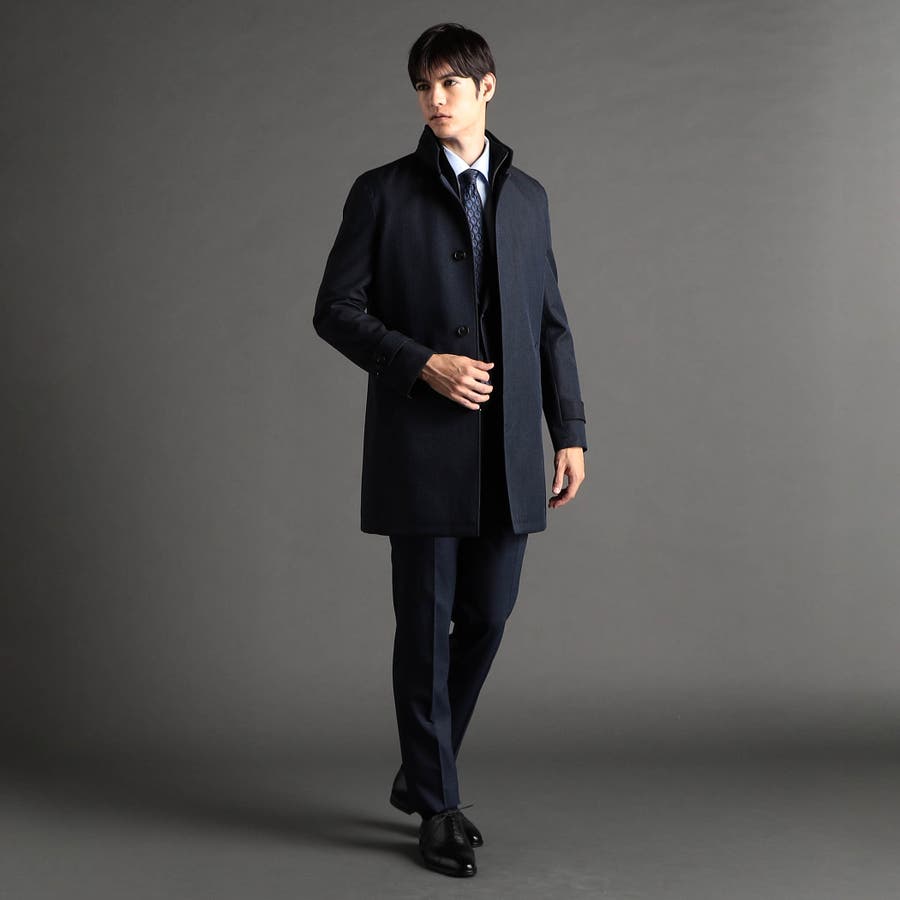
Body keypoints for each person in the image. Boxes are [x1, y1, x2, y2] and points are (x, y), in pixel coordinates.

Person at [313, 22, 587, 878]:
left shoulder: (529, 197)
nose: (434, 101)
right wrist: (419, 363)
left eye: (450, 85)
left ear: (486, 88)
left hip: (507, 450)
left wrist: (569, 431)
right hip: (421, 448)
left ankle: (420, 769)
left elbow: (550, 325)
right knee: (426, 631)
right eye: (423, 87)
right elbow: (335, 310)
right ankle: (437, 804)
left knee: (489, 615)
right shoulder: (382, 193)